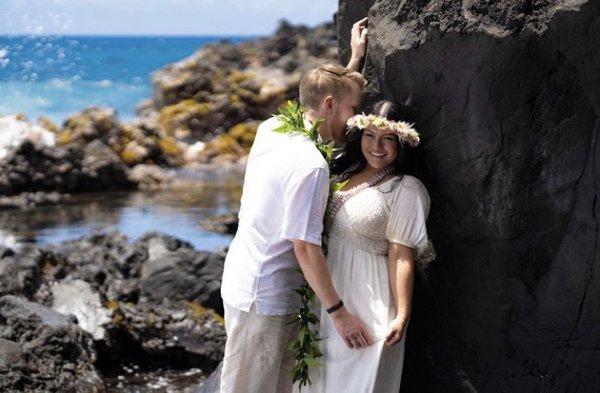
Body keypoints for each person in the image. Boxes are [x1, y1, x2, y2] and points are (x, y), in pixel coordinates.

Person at [219, 18, 374, 393]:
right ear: (332, 105)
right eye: (353, 109)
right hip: (267, 299)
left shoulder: (271, 129)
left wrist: (353, 63)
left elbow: (323, 103)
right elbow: (304, 246)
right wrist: (339, 313)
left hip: (240, 281)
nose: (354, 121)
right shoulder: (311, 167)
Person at [305, 97, 436, 393]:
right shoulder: (343, 172)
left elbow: (401, 255)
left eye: (388, 139)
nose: (377, 147)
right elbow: (325, 99)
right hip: (327, 297)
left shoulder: (406, 189)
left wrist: (402, 315)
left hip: (367, 302)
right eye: (370, 136)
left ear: (401, 143)